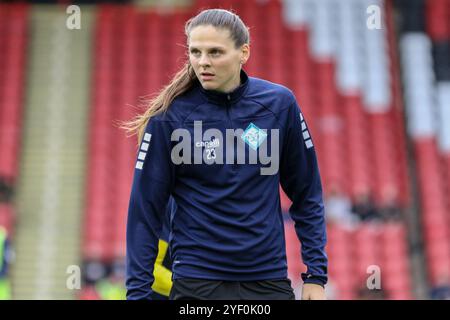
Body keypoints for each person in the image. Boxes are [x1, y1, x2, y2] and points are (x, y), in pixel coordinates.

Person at [124, 8, 327, 300]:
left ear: (243, 52)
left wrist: (316, 276)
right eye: (195, 52)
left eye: (215, 52)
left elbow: (307, 194)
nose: (203, 62)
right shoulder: (168, 119)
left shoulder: (280, 105)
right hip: (197, 283)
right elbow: (144, 213)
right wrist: (137, 295)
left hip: (267, 281)